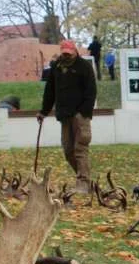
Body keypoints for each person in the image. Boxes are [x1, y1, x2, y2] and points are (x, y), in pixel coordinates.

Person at [37, 39, 97, 194]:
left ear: (75, 51)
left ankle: (83, 182)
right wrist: (44, 111)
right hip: (64, 115)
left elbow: (91, 92)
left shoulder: (84, 67)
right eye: (64, 53)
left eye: (69, 53)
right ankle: (85, 178)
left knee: (80, 148)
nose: (66, 56)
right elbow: (50, 91)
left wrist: (83, 112)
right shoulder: (56, 67)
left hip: (81, 115)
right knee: (68, 150)